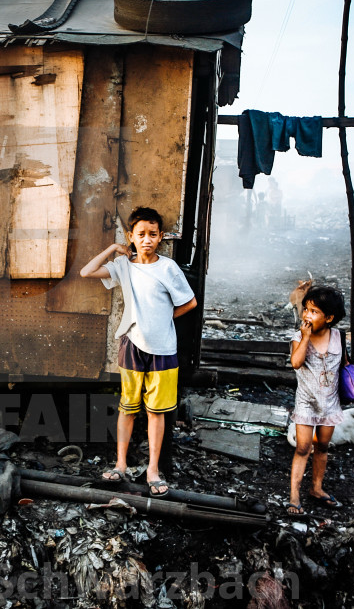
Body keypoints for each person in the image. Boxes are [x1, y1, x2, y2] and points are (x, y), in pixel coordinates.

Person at [79, 206, 198, 496]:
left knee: (156, 412)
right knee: (128, 408)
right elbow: (86, 271)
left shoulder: (168, 268)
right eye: (140, 234)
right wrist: (112, 247)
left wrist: (161, 318)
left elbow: (189, 303)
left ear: (160, 238)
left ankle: (153, 470)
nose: (147, 239)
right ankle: (120, 464)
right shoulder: (123, 265)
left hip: (163, 349)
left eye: (153, 234)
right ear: (131, 236)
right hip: (131, 344)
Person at [287, 285, 346, 516]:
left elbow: (343, 366)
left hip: (329, 403)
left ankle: (317, 488)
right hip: (306, 402)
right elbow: (296, 363)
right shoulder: (298, 337)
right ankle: (294, 496)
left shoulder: (338, 337)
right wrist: (305, 337)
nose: (307, 315)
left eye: (314, 312)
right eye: (306, 310)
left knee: (322, 447)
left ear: (329, 318)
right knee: (302, 448)